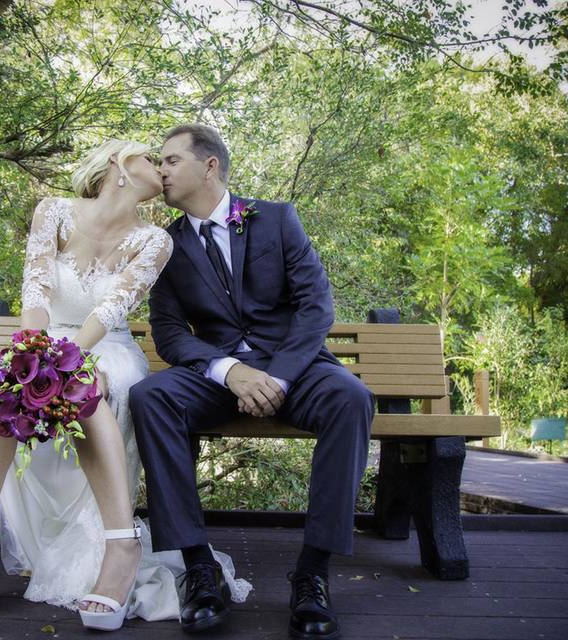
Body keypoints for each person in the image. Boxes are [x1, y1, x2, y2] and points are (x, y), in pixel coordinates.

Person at [0, 138, 251, 630]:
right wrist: (34, 351)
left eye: (167, 160)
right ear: (118, 163)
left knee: (87, 387)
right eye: (151, 157)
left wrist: (69, 361)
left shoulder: (156, 241)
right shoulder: (54, 211)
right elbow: (36, 286)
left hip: (107, 346)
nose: (161, 168)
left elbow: (112, 309)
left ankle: (120, 545)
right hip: (46, 335)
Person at [130, 124, 374, 638]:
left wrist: (278, 377)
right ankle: (199, 566)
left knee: (352, 398)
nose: (162, 171)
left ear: (210, 165)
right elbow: (170, 333)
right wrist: (230, 371)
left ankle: (312, 575)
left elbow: (315, 308)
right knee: (150, 396)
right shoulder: (164, 246)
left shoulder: (277, 219)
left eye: (171, 160)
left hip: (296, 370)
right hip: (218, 376)